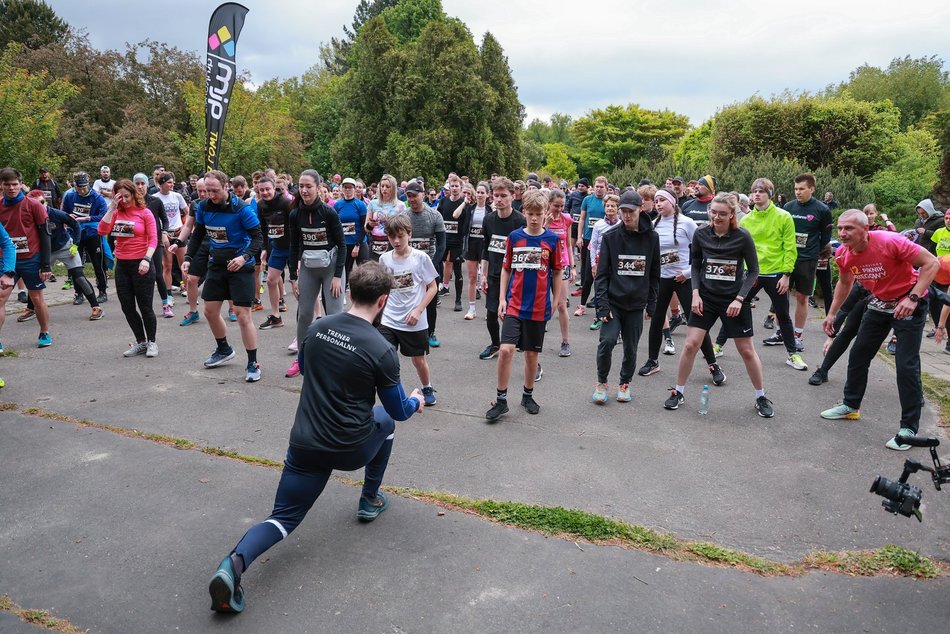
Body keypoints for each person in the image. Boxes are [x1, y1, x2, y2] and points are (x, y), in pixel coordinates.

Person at [207, 262, 424, 614]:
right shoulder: (382, 348)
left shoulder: (317, 328)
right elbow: (397, 409)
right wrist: (415, 400)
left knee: (283, 518)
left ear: (350, 293)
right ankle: (369, 499)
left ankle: (232, 565)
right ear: (383, 301)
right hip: (351, 447)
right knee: (387, 422)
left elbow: (307, 370)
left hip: (306, 442)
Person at [820, 209, 939, 450]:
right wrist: (832, 313)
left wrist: (913, 298)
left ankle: (908, 429)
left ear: (866, 230)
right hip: (879, 304)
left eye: (849, 228)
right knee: (858, 355)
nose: (842, 233)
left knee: (906, 365)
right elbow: (845, 283)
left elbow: (931, 263)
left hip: (909, 303)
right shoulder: (844, 254)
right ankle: (851, 405)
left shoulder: (890, 242)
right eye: (840, 228)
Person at [664, 192, 773, 418]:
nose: (716, 217)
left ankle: (760, 396)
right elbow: (695, 265)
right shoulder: (702, 234)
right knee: (690, 344)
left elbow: (753, 271)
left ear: (732, 214)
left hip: (734, 299)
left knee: (746, 350)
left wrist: (740, 298)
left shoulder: (742, 237)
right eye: (713, 212)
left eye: (722, 214)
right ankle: (679, 392)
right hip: (706, 298)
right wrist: (695, 293)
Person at [485, 189, 561, 420]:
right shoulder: (515, 237)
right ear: (524, 212)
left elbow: (557, 272)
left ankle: (528, 395)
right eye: (531, 213)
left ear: (546, 213)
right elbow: (507, 268)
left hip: (538, 306)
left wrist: (556, 300)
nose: (535, 218)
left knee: (530, 355)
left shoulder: (552, 240)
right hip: (514, 305)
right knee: (506, 350)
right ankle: (500, 400)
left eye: (539, 213)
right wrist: (501, 299)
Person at [183, 170, 264, 382]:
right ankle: (224, 349)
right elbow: (198, 234)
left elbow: (258, 238)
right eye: (207, 191)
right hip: (217, 264)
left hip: (241, 266)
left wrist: (244, 257)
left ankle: (253, 363)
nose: (210, 195)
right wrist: (188, 257)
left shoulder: (241, 209)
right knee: (209, 311)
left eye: (215, 190)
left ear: (226, 186)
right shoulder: (203, 206)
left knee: (242, 314)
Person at [638, 189, 724, 385]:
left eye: (662, 200)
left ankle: (713, 365)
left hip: (684, 280)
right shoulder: (654, 225)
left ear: (672, 202)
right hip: (662, 280)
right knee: (657, 319)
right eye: (656, 201)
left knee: (697, 324)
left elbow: (702, 253)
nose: (658, 204)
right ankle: (653, 361)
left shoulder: (687, 223)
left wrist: (686, 273)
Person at [591, 190, 659, 404]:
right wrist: (602, 305)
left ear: (641, 209)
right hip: (613, 302)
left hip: (636, 304)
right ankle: (602, 382)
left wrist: (652, 304)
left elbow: (654, 274)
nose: (627, 216)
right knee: (607, 342)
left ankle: (624, 383)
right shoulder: (611, 236)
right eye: (623, 212)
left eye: (631, 211)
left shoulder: (652, 237)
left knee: (631, 347)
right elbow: (601, 275)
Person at [737, 178, 807, 371]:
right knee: (736, 306)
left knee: (783, 313)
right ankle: (717, 346)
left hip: (776, 272)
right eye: (754, 191)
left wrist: (786, 274)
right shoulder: (746, 219)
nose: (756, 194)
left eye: (761, 191)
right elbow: (740, 248)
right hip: (752, 273)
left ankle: (793, 354)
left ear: (770, 194)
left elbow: (790, 247)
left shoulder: (783, 216)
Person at [287, 169, 346, 377]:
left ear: (319, 188)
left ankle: (336, 359)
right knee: (304, 315)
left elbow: (342, 245)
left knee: (334, 315)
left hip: (331, 268)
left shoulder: (328, 212)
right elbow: (293, 246)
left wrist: (338, 276)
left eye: (308, 186)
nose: (304, 190)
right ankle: (302, 358)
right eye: (301, 186)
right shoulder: (295, 214)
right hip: (309, 269)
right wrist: (293, 278)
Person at [379, 214, 439, 405]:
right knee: (386, 359)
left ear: (409, 234)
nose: (396, 241)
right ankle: (393, 393)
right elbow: (383, 289)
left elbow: (433, 287)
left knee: (418, 361)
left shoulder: (420, 258)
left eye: (400, 236)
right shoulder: (384, 259)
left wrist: (418, 310)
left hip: (414, 321)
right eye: (391, 236)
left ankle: (427, 387)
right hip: (389, 319)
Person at [98, 179, 159, 357]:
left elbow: (153, 239)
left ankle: (152, 342)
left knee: (145, 306)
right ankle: (141, 342)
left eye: (127, 196)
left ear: (133, 194)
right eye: (119, 196)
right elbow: (101, 231)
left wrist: (147, 259)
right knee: (127, 306)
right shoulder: (116, 213)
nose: (124, 200)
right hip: (122, 264)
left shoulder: (145, 213)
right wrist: (111, 208)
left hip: (142, 263)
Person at [21, 190, 102, 322]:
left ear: (46, 202)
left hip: (65, 247)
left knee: (79, 277)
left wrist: (75, 243)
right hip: (47, 251)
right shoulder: (29, 216)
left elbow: (75, 224)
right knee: (35, 279)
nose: (39, 206)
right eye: (35, 204)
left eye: (42, 202)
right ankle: (31, 309)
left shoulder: (56, 213)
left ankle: (96, 307)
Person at [0, 168, 52, 350]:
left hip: (32, 258)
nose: (12, 188)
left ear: (21, 184)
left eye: (15, 184)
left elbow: (45, 235)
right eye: (7, 185)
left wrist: (46, 264)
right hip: (7, 261)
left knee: (36, 298)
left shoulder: (34, 205)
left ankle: (44, 331)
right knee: (0, 298)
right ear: (2, 185)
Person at [783, 173, 833, 352]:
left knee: (802, 297)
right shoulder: (788, 207)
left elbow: (825, 237)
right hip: (786, 258)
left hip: (807, 260)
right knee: (781, 296)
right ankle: (783, 332)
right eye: (796, 189)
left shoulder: (822, 210)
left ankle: (797, 335)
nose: (798, 192)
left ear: (812, 189)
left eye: (802, 189)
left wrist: (812, 252)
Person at [479, 177, 525, 361]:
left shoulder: (520, 221)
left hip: (515, 278)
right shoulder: (488, 220)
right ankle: (495, 344)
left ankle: (528, 354)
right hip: (493, 275)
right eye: (496, 195)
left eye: (503, 195)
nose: (499, 199)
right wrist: (483, 274)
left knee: (513, 318)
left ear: (512, 196)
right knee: (491, 314)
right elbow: (486, 247)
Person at [403, 181, 446, 348]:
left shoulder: (434, 215)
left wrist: (433, 265)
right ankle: (408, 330)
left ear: (423, 195)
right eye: (409, 196)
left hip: (430, 263)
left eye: (415, 195)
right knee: (408, 296)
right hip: (408, 264)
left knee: (431, 300)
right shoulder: (404, 216)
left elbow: (442, 244)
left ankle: (431, 333)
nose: (412, 199)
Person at [61, 171, 109, 303]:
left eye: (84, 187)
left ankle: (103, 291)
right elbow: (64, 212)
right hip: (76, 234)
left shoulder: (97, 198)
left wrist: (86, 218)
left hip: (93, 234)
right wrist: (69, 217)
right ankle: (79, 293)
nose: (82, 190)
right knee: (76, 265)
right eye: (79, 187)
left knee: (97, 263)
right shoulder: (70, 197)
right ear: (75, 186)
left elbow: (103, 215)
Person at [256, 175, 293, 331]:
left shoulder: (286, 202)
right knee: (271, 280)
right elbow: (263, 229)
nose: (265, 192)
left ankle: (311, 318)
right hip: (276, 246)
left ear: (273, 188)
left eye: (267, 189)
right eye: (262, 190)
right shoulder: (260, 205)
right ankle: (276, 316)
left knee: (297, 284)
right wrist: (264, 248)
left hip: (292, 247)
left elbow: (295, 225)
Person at [544, 189, 574, 357]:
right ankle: (536, 336)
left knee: (562, 304)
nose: (559, 209)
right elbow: (537, 238)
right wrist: (546, 224)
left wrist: (572, 267)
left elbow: (568, 244)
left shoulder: (567, 219)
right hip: (544, 265)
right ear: (549, 204)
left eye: (562, 206)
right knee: (541, 303)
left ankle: (565, 342)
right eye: (556, 206)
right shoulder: (541, 218)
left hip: (561, 265)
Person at [436, 175, 468, 312]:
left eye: (457, 186)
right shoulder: (443, 201)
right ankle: (435, 294)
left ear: (461, 188)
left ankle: (458, 300)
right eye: (452, 186)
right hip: (444, 240)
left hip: (457, 241)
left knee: (457, 270)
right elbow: (438, 219)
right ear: (448, 186)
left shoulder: (463, 204)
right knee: (437, 265)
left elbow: (464, 223)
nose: (454, 188)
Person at [575, 176, 607, 311]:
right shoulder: (587, 200)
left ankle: (599, 301)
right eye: (597, 186)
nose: (599, 189)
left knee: (603, 273)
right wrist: (579, 237)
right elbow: (582, 219)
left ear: (606, 187)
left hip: (604, 241)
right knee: (587, 273)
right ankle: (582, 304)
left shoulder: (608, 201)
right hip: (588, 239)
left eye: (601, 187)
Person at [463, 182, 491, 321]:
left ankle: (489, 310)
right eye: (478, 192)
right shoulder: (470, 208)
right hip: (472, 244)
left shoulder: (491, 210)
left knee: (486, 278)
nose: (480, 195)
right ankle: (472, 309)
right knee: (473, 277)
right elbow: (459, 219)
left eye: (482, 192)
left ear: (487, 194)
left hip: (485, 244)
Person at [334, 177, 369, 282]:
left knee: (364, 273)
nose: (348, 190)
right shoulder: (337, 205)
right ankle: (342, 296)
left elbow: (364, 227)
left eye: (350, 188)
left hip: (359, 243)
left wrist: (357, 245)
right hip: (344, 244)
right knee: (344, 273)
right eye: (346, 187)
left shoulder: (361, 205)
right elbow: (335, 226)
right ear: (342, 189)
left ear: (354, 189)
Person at [365, 174, 406, 261]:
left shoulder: (400, 205)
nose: (384, 189)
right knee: (375, 271)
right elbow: (366, 228)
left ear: (393, 188)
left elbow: (404, 228)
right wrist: (370, 224)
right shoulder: (372, 204)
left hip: (393, 242)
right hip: (375, 242)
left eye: (387, 186)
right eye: (382, 186)